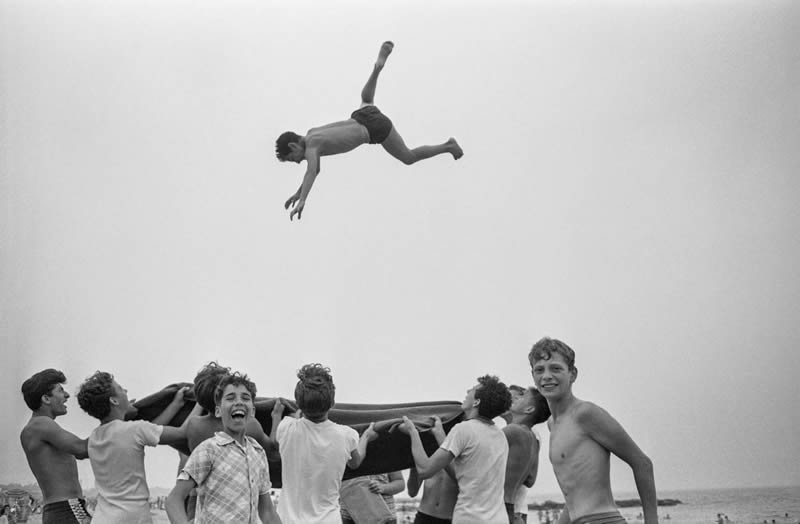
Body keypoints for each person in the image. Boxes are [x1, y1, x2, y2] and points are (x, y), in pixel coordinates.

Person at [276, 41, 464, 220]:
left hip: (373, 129)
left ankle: (448, 146)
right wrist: (299, 192)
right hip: (362, 114)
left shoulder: (311, 147)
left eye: (293, 158)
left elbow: (311, 171)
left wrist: (303, 200)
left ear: (293, 146)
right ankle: (377, 68)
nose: (298, 161)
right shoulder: (312, 132)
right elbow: (314, 169)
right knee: (366, 100)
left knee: (408, 157)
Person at [528, 338, 658, 524]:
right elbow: (574, 495)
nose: (546, 376)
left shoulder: (585, 414)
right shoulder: (552, 424)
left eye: (556, 368)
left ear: (572, 374)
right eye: (539, 370)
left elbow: (642, 464)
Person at [76, 371, 195, 524]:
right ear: (114, 400)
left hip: (102, 517)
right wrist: (201, 403)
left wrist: (175, 405)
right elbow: (182, 433)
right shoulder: (134, 430)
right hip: (132, 517)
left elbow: (154, 428)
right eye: (120, 389)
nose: (125, 391)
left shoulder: (94, 436)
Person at [165, 372, 281, 524]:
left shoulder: (258, 452)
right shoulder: (207, 450)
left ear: (252, 411)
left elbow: (267, 511)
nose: (238, 402)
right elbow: (174, 500)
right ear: (218, 411)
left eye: (245, 398)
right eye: (230, 398)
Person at [274, 363, 378, 523]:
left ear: (299, 403)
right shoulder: (347, 435)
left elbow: (274, 442)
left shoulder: (286, 428)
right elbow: (356, 463)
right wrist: (366, 438)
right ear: (332, 402)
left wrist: (276, 415)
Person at [401, 375, 512, 524]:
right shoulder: (500, 436)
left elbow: (424, 470)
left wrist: (413, 432)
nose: (467, 391)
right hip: (499, 519)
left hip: (470, 518)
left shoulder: (464, 429)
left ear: (477, 402)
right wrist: (441, 436)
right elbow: (465, 474)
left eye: (472, 390)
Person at [19, 369, 91, 524]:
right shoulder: (41, 424)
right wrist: (115, 423)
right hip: (68, 507)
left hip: (58, 509)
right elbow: (82, 449)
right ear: (46, 398)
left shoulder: (35, 427)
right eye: (61, 391)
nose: (67, 396)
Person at [503, 385, 550, 524]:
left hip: (497, 506)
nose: (515, 399)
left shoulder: (511, 431)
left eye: (522, 396)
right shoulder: (531, 436)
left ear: (529, 409)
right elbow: (530, 479)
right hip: (513, 508)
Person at [406, 417, 459, 524]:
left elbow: (462, 482)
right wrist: (414, 466)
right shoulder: (428, 453)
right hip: (424, 516)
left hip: (451, 518)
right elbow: (412, 492)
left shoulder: (461, 457)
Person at [340, 471, 404, 524]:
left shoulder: (389, 456)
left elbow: (400, 482)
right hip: (350, 516)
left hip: (385, 517)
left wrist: (383, 487)